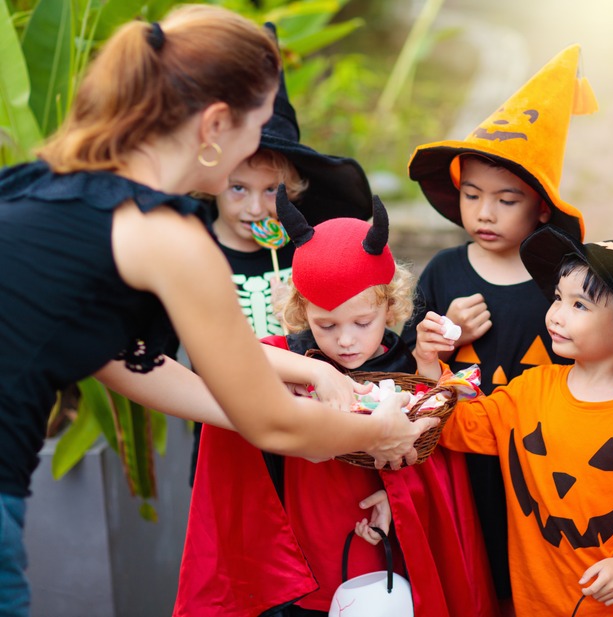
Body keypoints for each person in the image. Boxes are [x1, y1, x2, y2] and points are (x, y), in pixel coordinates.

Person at [0, 7, 433, 614]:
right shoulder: (168, 236)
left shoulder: (49, 188)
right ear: (215, 124)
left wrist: (310, 373)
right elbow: (274, 426)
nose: (255, 147)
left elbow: (133, 363)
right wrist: (381, 430)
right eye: (256, 127)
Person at [174, 191, 499, 617]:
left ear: (390, 306)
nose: (345, 340)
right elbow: (230, 354)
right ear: (301, 311)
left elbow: (423, 435)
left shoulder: (398, 359)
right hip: (306, 534)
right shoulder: (297, 356)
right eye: (325, 324)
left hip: (375, 529)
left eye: (362, 323)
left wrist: (423, 363)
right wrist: (316, 372)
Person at [415, 223, 613, 616]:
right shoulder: (530, 390)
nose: (556, 314)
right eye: (557, 298)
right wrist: (427, 363)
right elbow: (459, 427)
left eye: (579, 305)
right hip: (535, 606)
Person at [401, 44, 596, 611]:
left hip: (535, 461)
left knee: (529, 576)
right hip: (460, 456)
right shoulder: (444, 271)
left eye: (506, 200)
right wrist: (439, 337)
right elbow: (414, 362)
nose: (484, 213)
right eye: (471, 196)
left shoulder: (561, 281)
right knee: (467, 570)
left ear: (540, 208)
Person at [187, 24, 374, 483]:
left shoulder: (304, 251)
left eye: (272, 190)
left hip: (308, 420)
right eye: (238, 188)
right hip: (225, 427)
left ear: (295, 190)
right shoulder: (192, 251)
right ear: (214, 183)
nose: (255, 207)